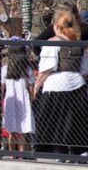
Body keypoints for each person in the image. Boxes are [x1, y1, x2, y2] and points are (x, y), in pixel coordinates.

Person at [33, 10, 87, 154]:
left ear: (57, 26)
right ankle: (77, 150)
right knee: (74, 120)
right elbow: (84, 69)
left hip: (56, 86)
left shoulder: (52, 43)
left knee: (54, 121)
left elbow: (46, 68)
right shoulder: (78, 44)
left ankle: (56, 151)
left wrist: (37, 85)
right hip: (77, 85)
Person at [1, 40, 35, 153]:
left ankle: (12, 155)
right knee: (22, 129)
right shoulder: (27, 69)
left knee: (12, 129)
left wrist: (0, 98)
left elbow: (2, 86)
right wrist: (32, 98)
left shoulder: (5, 69)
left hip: (10, 99)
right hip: (23, 99)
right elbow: (31, 87)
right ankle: (21, 154)